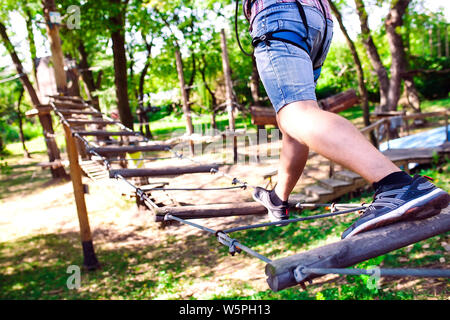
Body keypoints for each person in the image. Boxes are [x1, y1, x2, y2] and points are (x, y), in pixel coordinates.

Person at [244, 0, 450, 239]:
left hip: (278, 15)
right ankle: (279, 197)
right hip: (318, 20)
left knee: (295, 114)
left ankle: (396, 184)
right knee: (295, 121)